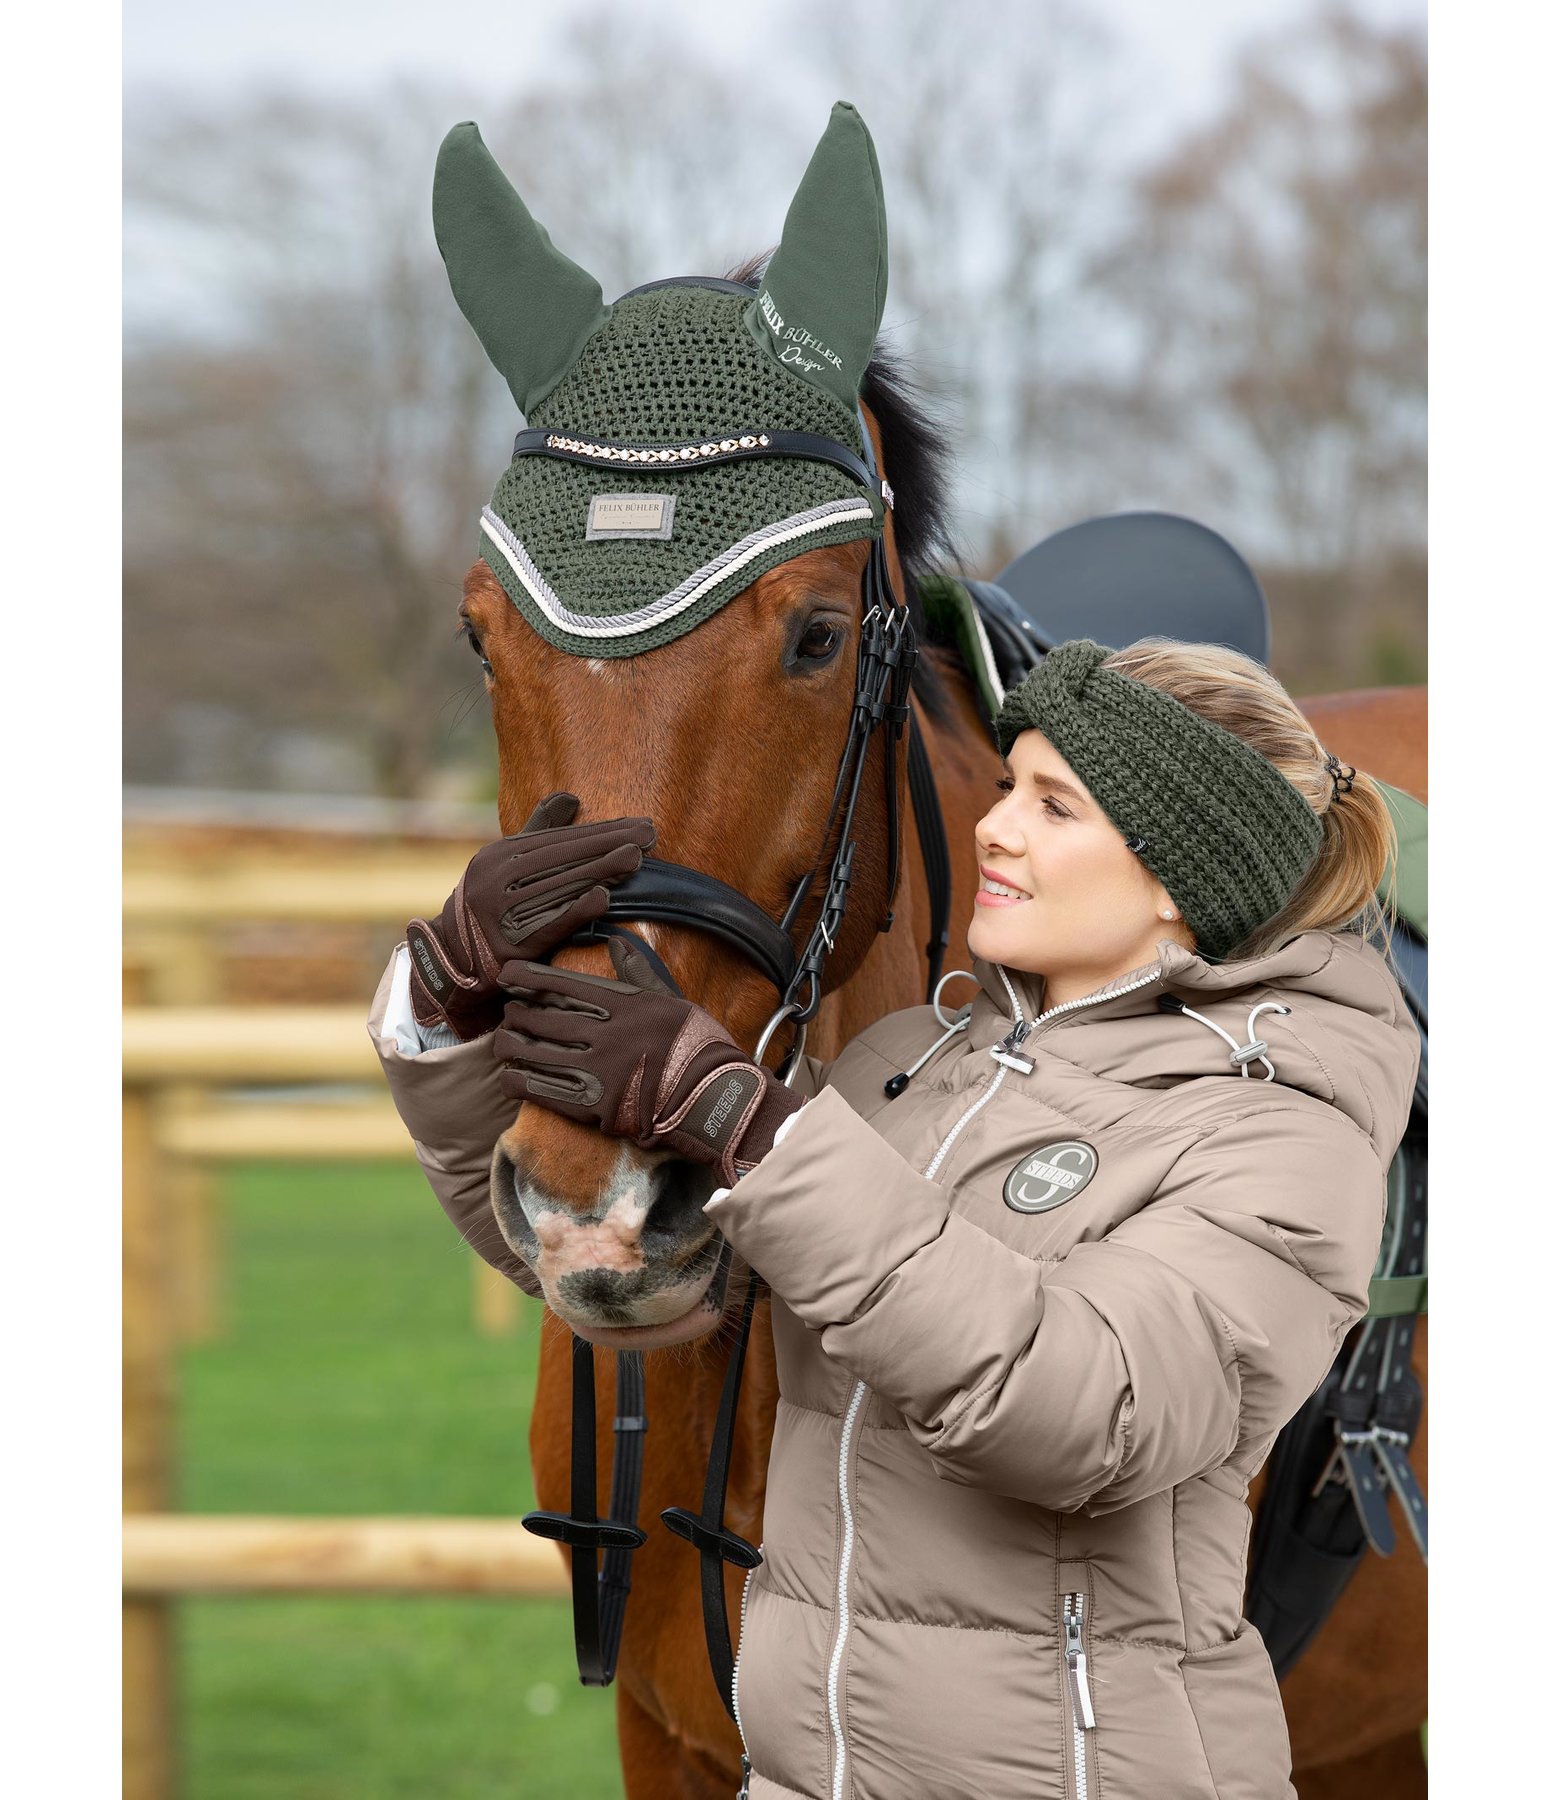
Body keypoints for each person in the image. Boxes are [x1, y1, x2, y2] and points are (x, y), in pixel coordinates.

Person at [368, 636, 1420, 1800]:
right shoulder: (907, 1071)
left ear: (1177, 874)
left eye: (1052, 805)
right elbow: (619, 1265)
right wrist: (436, 1001)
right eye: (1007, 784)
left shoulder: (1278, 1134)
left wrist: (745, 1125)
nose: (991, 830)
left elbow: (1091, 1416)